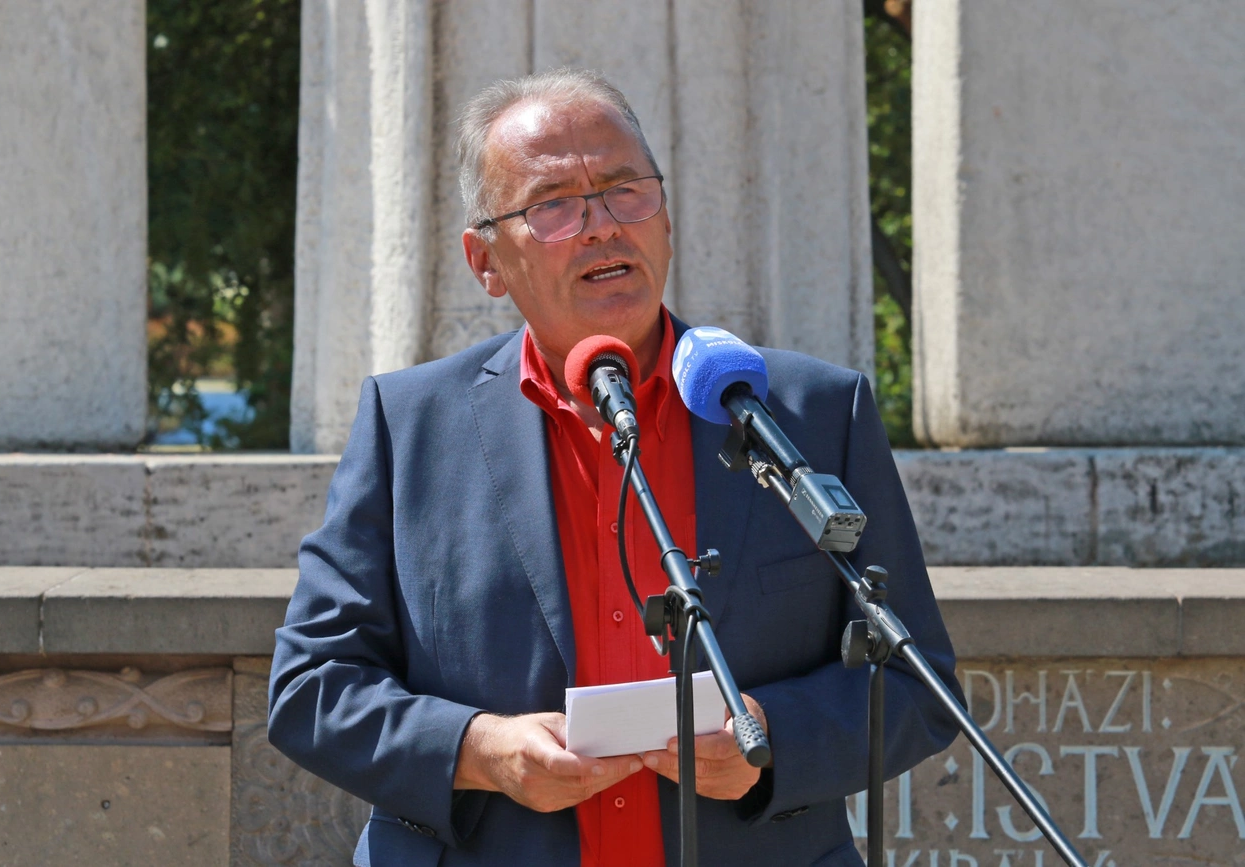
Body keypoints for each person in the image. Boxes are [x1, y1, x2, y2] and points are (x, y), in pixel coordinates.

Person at [268, 68, 961, 867]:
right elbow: (310, 687)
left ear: (665, 221)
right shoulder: (409, 425)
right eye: (553, 204)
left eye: (626, 190)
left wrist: (773, 738)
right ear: (486, 261)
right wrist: (479, 749)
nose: (601, 226)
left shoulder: (809, 412)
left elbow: (917, 683)